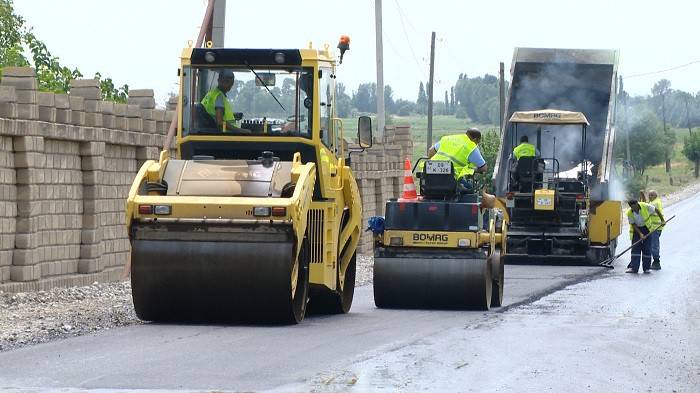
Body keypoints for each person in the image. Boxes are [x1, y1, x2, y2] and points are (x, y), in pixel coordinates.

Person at [625, 199, 666, 274]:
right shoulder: (629, 213)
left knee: (647, 248)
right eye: (632, 208)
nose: (635, 209)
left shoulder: (645, 206)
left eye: (635, 207)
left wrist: (662, 220)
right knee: (635, 249)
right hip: (637, 231)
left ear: (637, 204)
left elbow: (656, 210)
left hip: (647, 229)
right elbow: (633, 224)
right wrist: (640, 234)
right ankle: (634, 268)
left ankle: (646, 268)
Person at [647, 190, 664, 270]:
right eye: (649, 195)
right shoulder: (657, 201)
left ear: (655, 196)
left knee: (654, 245)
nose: (649, 196)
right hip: (656, 227)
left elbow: (646, 212)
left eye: (651, 195)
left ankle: (656, 262)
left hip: (655, 227)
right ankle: (654, 261)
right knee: (653, 245)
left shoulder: (654, 203)